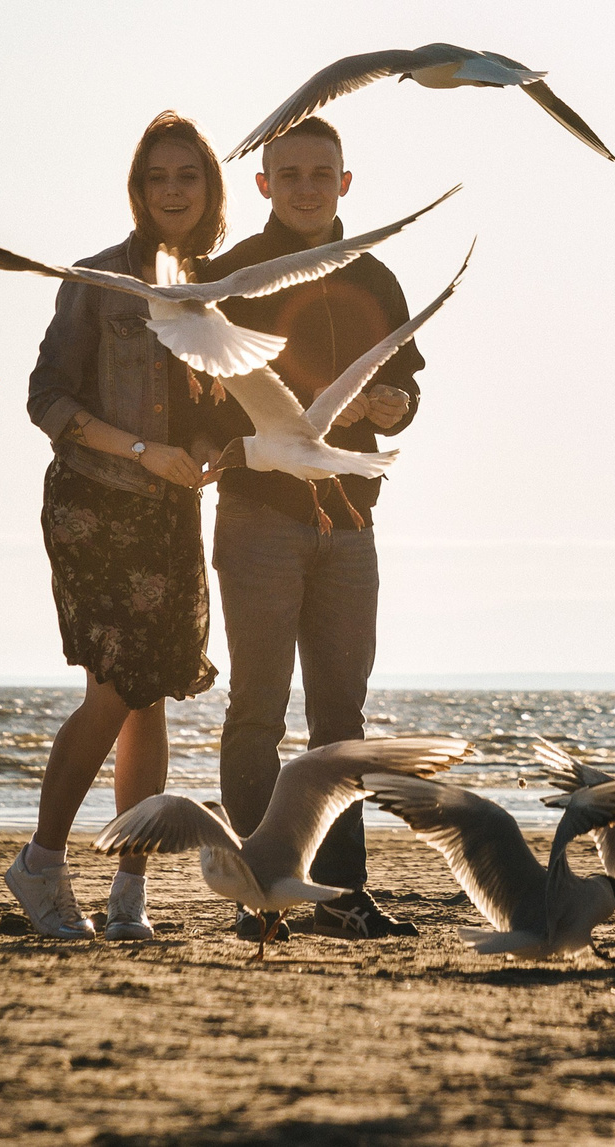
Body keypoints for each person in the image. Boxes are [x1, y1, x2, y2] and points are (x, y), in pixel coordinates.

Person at [196, 115, 424, 944]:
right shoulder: (231, 275)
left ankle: (340, 894)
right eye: (287, 173)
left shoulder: (379, 275)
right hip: (260, 516)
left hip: (351, 523)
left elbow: (406, 382)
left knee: (342, 717)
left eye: (319, 173)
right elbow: (202, 392)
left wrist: (396, 404)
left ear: (345, 183)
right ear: (262, 184)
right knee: (256, 709)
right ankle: (257, 895)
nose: (303, 186)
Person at [10, 111, 230, 940]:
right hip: (95, 504)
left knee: (151, 698)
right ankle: (39, 861)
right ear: (137, 192)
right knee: (113, 688)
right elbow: (46, 398)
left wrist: (204, 448)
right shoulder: (98, 280)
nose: (172, 191)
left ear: (209, 187)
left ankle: (128, 894)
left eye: (187, 176)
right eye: (156, 178)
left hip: (173, 511)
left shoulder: (220, 287)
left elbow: (219, 403)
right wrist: (141, 449)